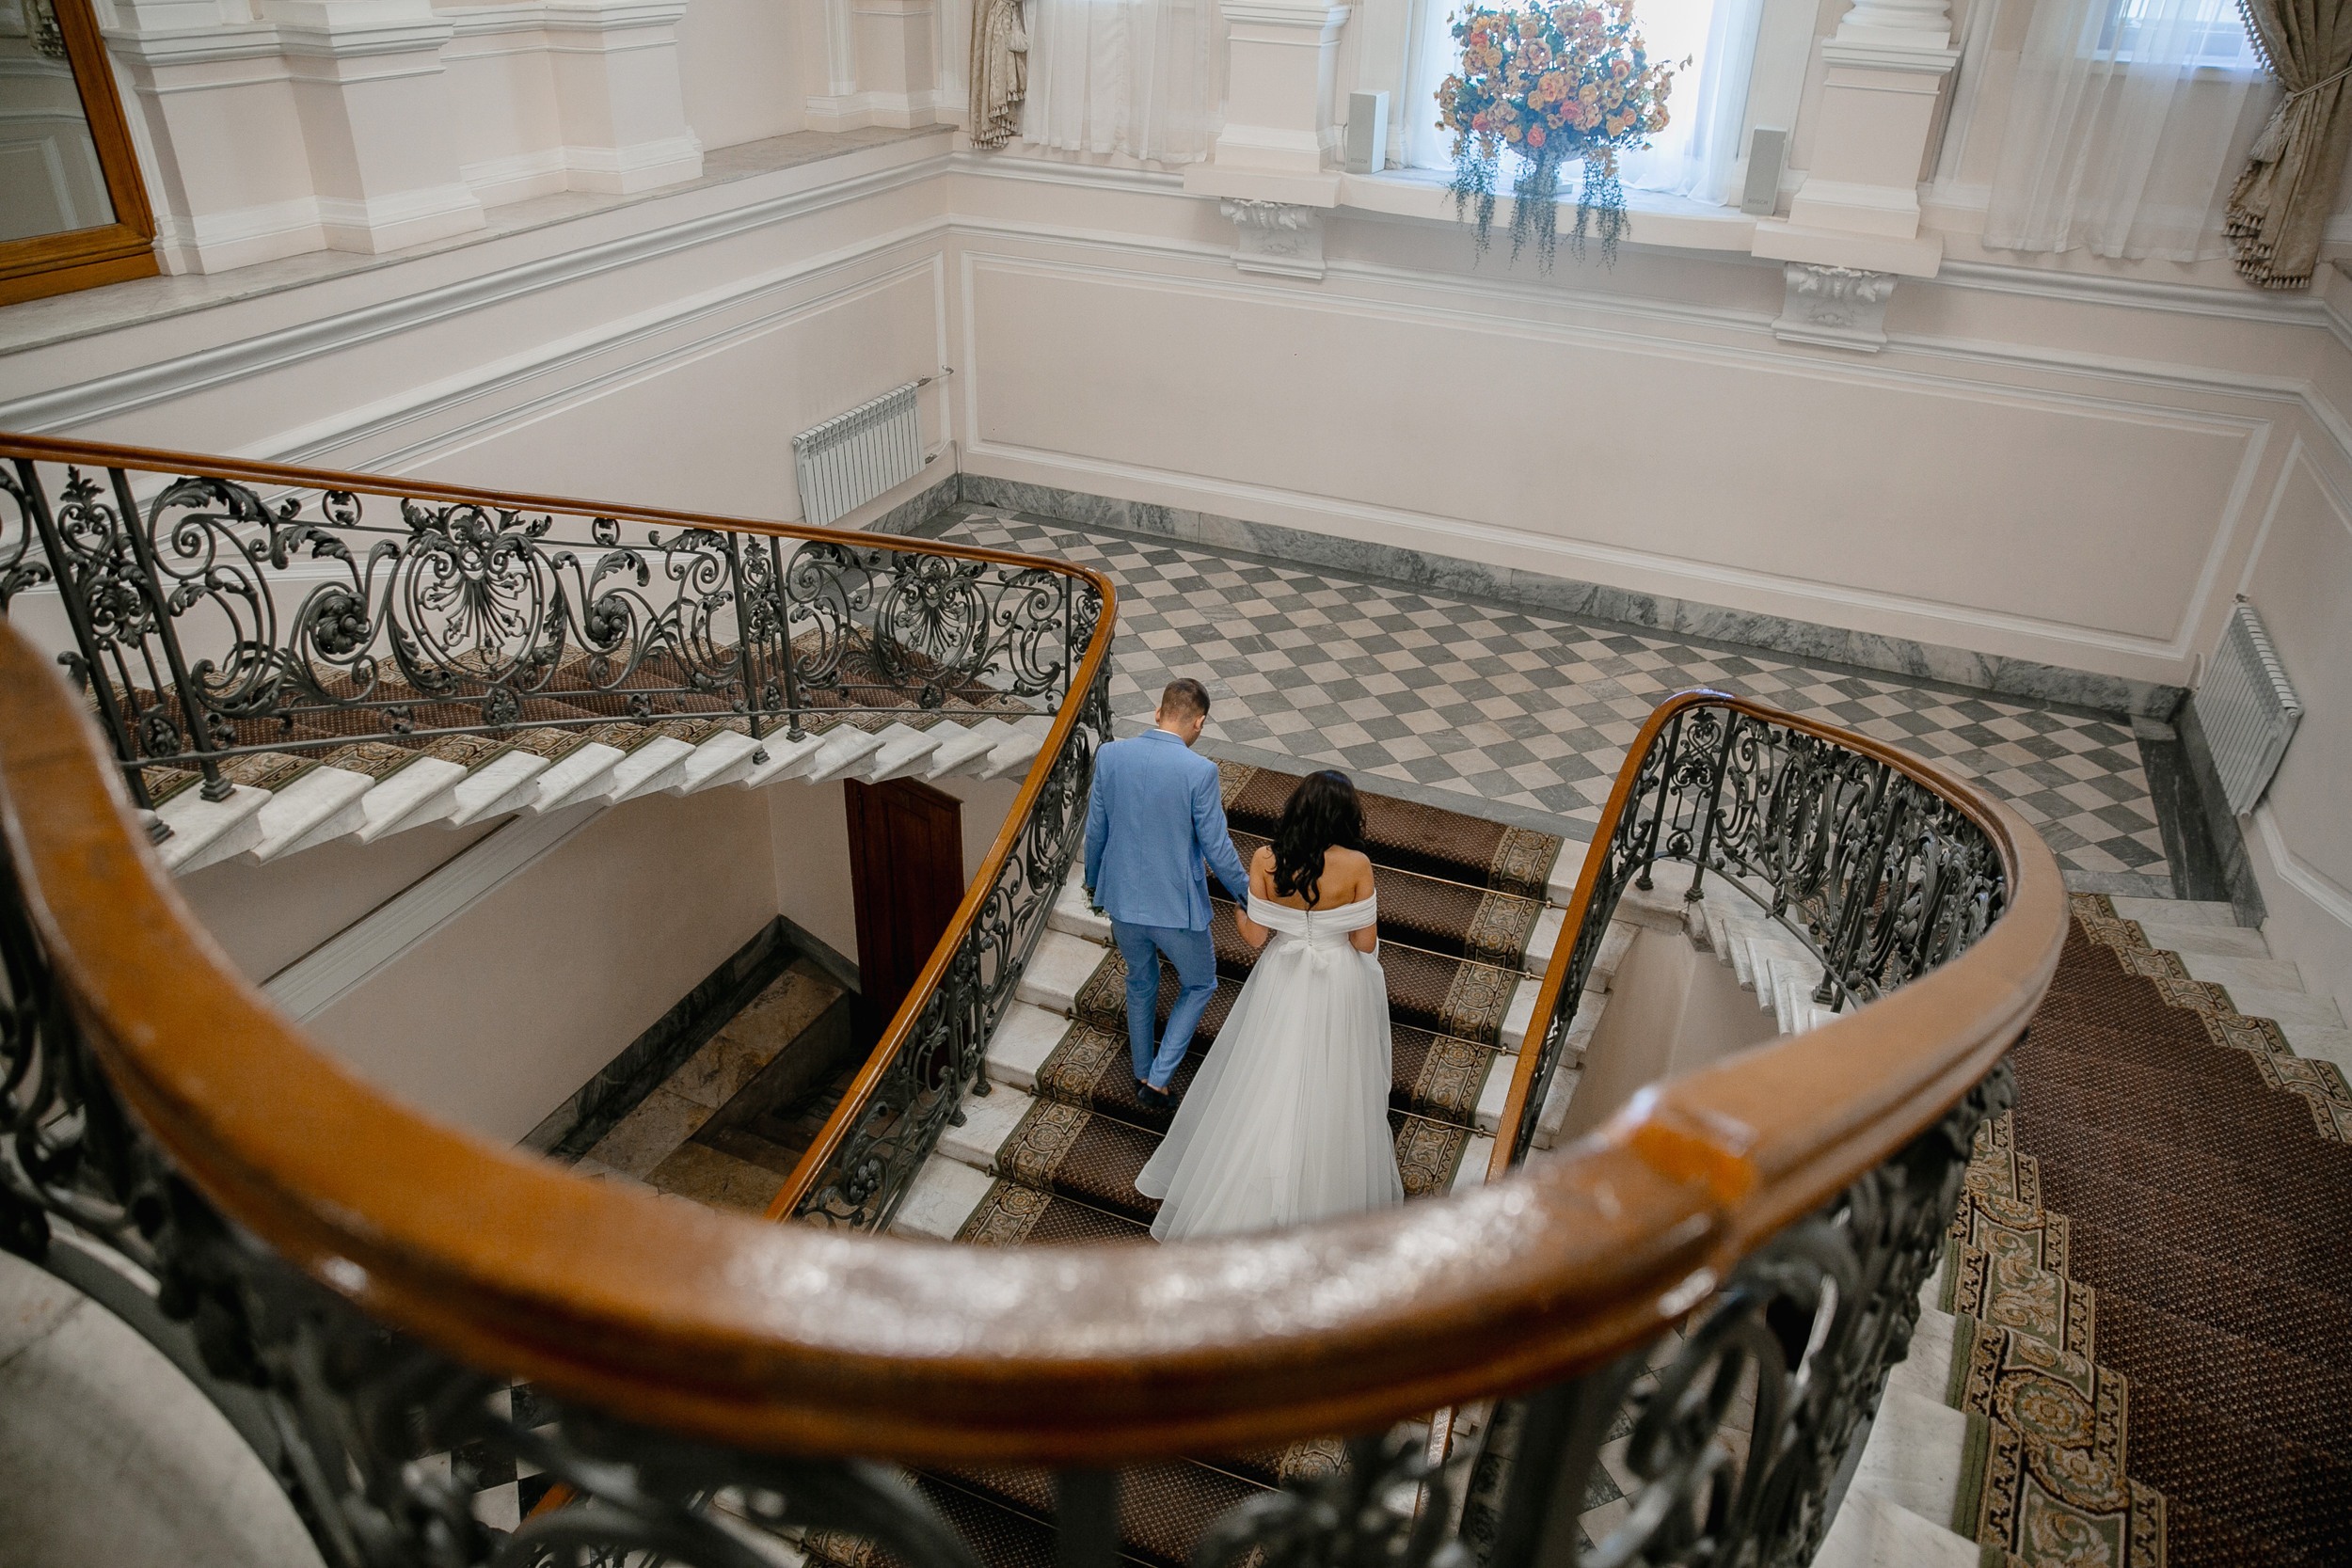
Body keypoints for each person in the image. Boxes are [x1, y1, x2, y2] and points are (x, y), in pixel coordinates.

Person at [1135, 769, 1405, 1242]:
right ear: (1346, 816)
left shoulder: (1265, 858)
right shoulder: (1358, 864)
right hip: (1337, 980)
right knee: (1332, 1077)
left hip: (1282, 975)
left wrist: (1243, 911)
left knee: (1271, 1074)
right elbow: (1364, 943)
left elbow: (1257, 936)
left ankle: (1255, 1190)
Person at [1082, 678, 1256, 1113]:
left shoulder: (1111, 755)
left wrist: (1094, 884)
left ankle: (1141, 1068)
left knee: (1140, 980)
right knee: (1199, 982)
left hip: (1122, 902)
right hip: (1175, 909)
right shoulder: (1199, 772)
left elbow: (1096, 829)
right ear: (1199, 723)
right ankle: (1157, 1080)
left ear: (1158, 713)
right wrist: (1248, 896)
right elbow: (1217, 847)